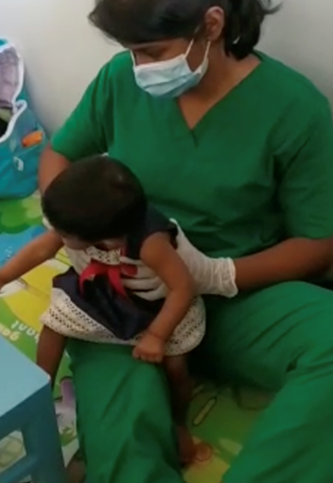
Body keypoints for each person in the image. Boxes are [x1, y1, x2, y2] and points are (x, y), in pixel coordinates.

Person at [38, 1, 333, 482]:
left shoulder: (294, 109)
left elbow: (318, 245)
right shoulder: (120, 80)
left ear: (211, 25)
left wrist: (215, 275)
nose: (140, 68)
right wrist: (78, 232)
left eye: (153, 52)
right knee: (122, 433)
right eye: (132, 52)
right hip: (128, 295)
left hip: (239, 299)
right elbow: (60, 154)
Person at [0, 155, 204, 462]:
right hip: (100, 291)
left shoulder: (150, 243)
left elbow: (183, 288)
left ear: (104, 239)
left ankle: (179, 422)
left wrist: (157, 335)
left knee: (177, 366)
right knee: (54, 324)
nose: (58, 236)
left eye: (64, 234)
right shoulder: (82, 224)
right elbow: (42, 248)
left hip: (155, 307)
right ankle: (39, 388)